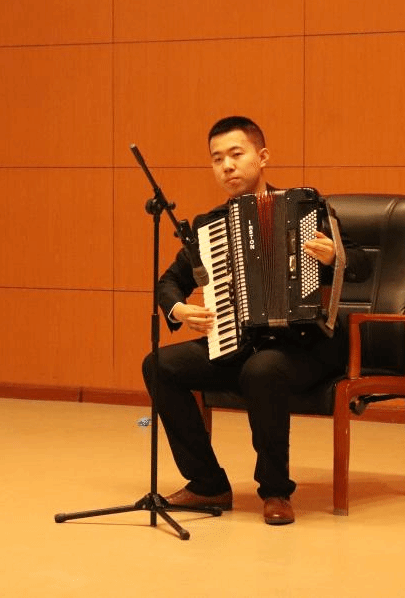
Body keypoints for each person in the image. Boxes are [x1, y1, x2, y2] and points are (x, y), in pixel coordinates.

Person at [142, 115, 371, 525]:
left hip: (307, 346)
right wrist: (179, 309)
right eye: (217, 159)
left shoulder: (306, 207)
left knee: (262, 369)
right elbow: (169, 282)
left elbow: (362, 265)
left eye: (236, 154)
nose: (227, 166)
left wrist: (335, 256)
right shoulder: (210, 227)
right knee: (159, 365)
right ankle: (208, 483)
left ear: (262, 157)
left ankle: (276, 491)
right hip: (240, 344)